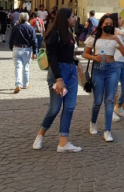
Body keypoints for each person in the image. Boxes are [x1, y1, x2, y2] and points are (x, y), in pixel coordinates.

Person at [33, 8, 82, 152]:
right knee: (54, 108)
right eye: (72, 16)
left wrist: (76, 63)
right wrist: (59, 79)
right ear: (65, 18)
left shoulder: (69, 33)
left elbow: (67, 54)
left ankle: (63, 142)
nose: (75, 19)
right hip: (58, 74)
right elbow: (53, 58)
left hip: (71, 73)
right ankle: (40, 135)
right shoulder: (53, 35)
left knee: (69, 108)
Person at [83, 14, 124, 142]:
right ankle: (93, 122)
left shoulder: (116, 38)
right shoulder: (94, 38)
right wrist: (93, 57)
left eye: (110, 24)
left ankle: (107, 130)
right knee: (97, 101)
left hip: (112, 70)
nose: (108, 25)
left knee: (109, 101)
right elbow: (85, 53)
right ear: (101, 25)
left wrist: (118, 42)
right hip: (98, 70)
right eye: (106, 23)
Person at [9, 13, 38, 93]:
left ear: (20, 19)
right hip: (27, 49)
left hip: (16, 48)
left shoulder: (15, 28)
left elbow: (11, 39)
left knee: (18, 67)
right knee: (26, 67)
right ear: (28, 19)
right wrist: (34, 52)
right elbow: (34, 41)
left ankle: (18, 84)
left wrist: (11, 47)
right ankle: (25, 84)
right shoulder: (31, 28)